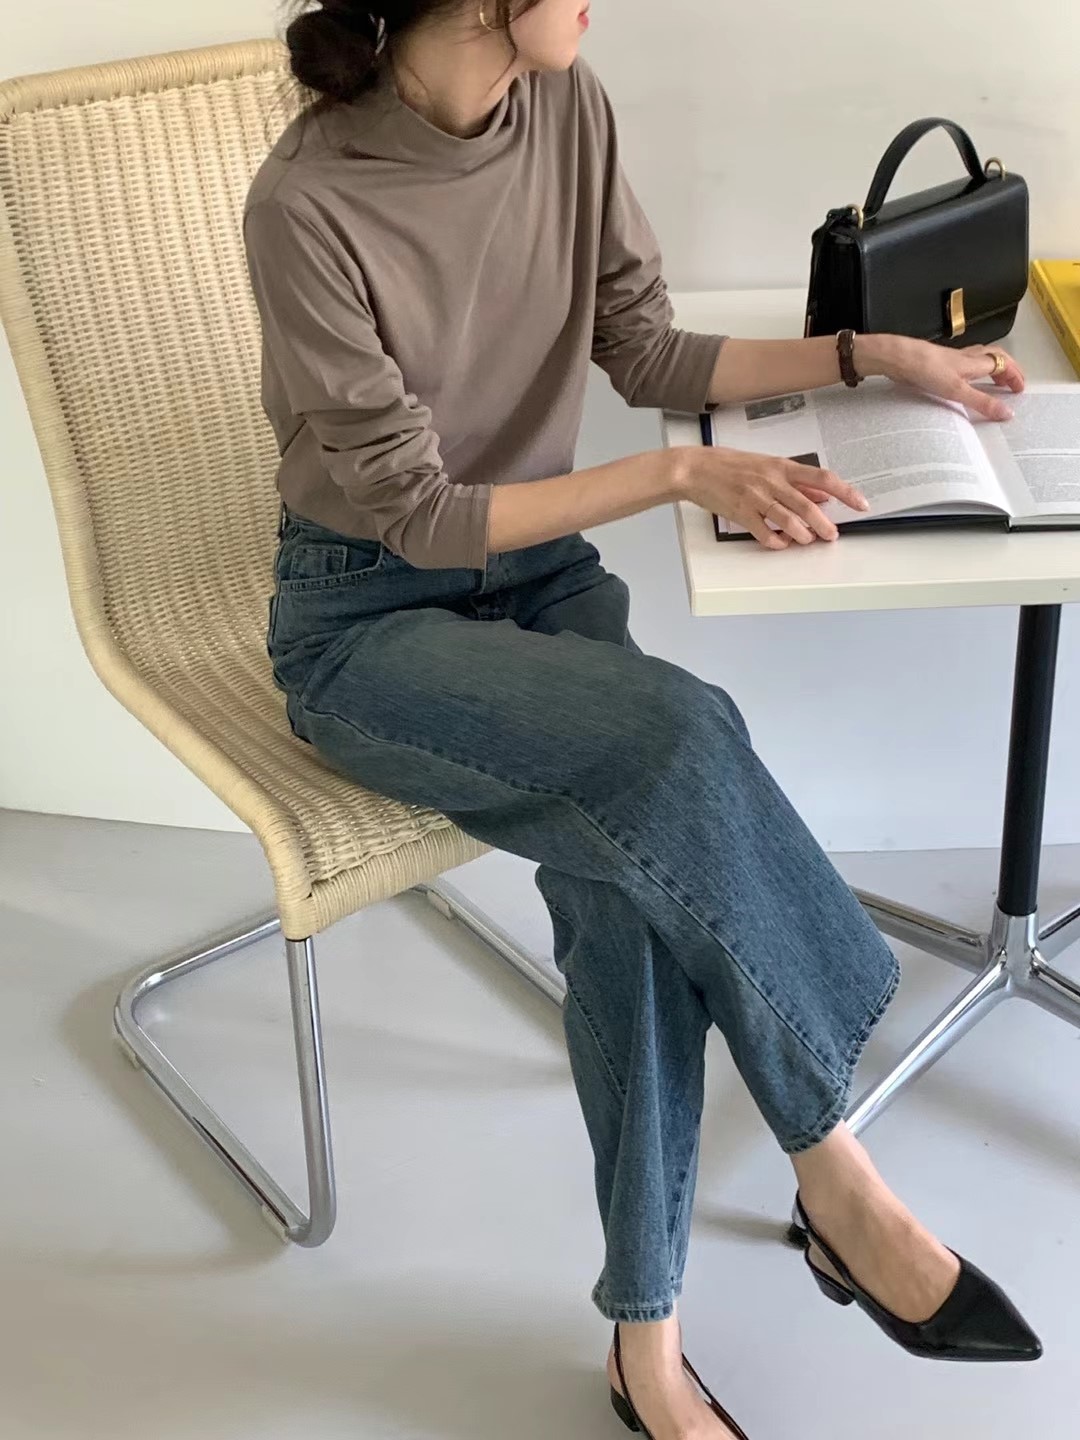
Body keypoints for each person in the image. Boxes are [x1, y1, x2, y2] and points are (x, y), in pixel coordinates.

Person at [243, 3, 1041, 1435]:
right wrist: (675, 480)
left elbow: (648, 350)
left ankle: (645, 1345)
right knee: (679, 735)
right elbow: (421, 517)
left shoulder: (567, 105)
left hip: (541, 579)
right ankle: (836, 1169)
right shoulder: (307, 201)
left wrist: (871, 355)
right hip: (370, 621)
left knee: (626, 890)